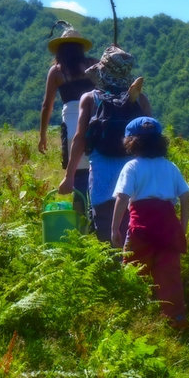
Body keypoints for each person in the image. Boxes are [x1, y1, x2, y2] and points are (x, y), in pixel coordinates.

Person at [59, 45, 151, 246]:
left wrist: (69, 177)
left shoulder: (90, 98)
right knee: (133, 238)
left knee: (107, 239)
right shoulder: (141, 100)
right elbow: (152, 141)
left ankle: (113, 274)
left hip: (102, 182)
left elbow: (79, 139)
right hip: (135, 183)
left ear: (102, 73)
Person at [111, 116, 189, 330]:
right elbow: (185, 198)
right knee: (169, 276)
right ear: (159, 141)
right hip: (168, 226)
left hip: (141, 228)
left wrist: (115, 228)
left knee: (134, 273)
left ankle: (133, 319)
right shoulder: (170, 166)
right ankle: (177, 321)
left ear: (131, 141)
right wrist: (182, 228)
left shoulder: (132, 166)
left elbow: (122, 198)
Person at [39, 21, 97, 222]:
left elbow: (47, 105)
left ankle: (81, 223)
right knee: (96, 172)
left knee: (77, 176)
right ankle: (98, 221)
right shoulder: (93, 65)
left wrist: (42, 136)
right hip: (95, 121)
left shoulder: (57, 71)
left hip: (72, 125)